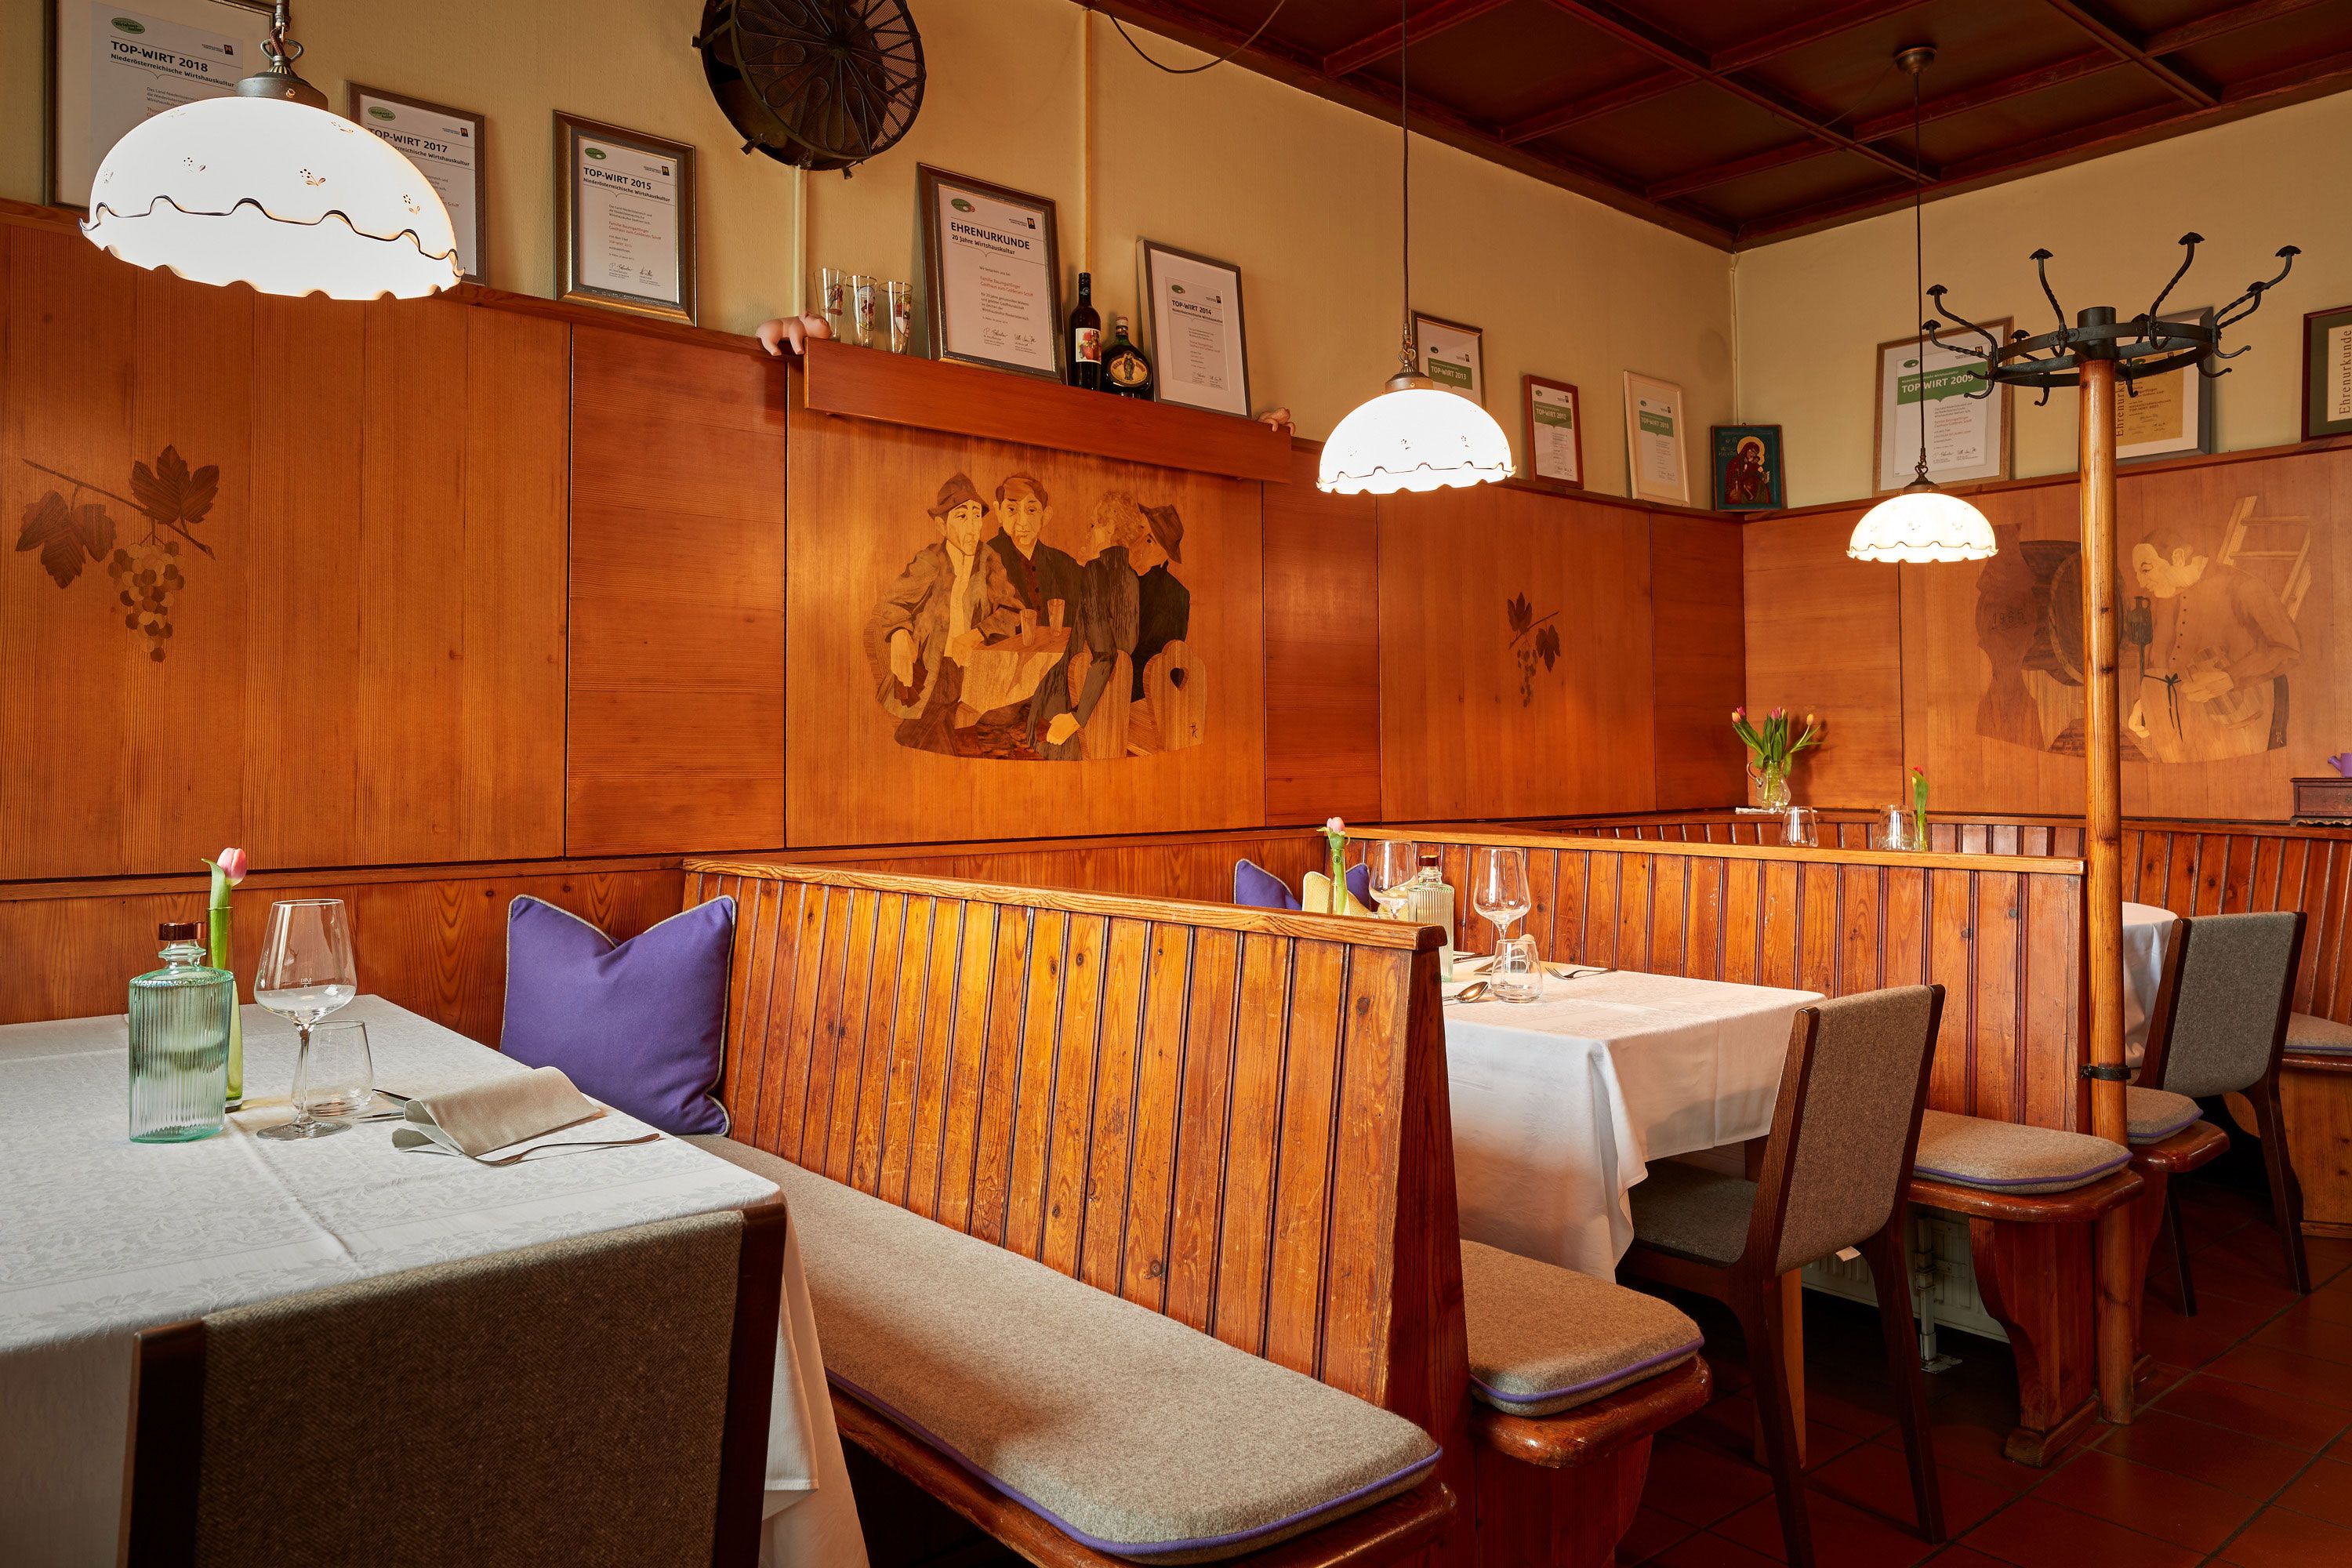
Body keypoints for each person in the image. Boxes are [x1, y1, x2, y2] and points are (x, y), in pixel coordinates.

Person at [864, 474, 1018, 755]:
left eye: (976, 516)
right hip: (934, 670)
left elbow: (1012, 610)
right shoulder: (930, 560)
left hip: (976, 670)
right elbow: (891, 603)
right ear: (941, 525)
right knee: (938, 727)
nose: (973, 527)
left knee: (1003, 721)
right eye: (962, 517)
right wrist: (899, 634)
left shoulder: (988, 559)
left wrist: (976, 634)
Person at [2125, 523, 2299, 763]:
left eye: (2146, 570)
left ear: (2177, 558)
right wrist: (2143, 702)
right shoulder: (2164, 595)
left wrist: (2230, 678)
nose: (2142, 582)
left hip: (2243, 720)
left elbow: (2288, 649)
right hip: (2182, 724)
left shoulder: (2243, 587)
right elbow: (2157, 656)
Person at [1033, 492, 1140, 759]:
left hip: (1078, 697)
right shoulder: (1131, 578)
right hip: (1112, 703)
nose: (1088, 533)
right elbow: (1124, 649)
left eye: (1093, 525)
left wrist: (1076, 718)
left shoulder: (1096, 571)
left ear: (1110, 528)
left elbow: (1105, 655)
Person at [986, 474, 1083, 629]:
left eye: (1031, 510)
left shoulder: (1063, 563)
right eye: (1012, 509)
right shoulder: (986, 557)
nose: (1022, 522)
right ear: (998, 512)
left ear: (1046, 516)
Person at [1129, 503, 1189, 701]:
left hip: (1144, 695)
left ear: (1166, 554)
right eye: (1139, 530)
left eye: (1149, 540)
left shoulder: (1174, 594)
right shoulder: (1122, 576)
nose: (1137, 543)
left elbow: (1153, 661)